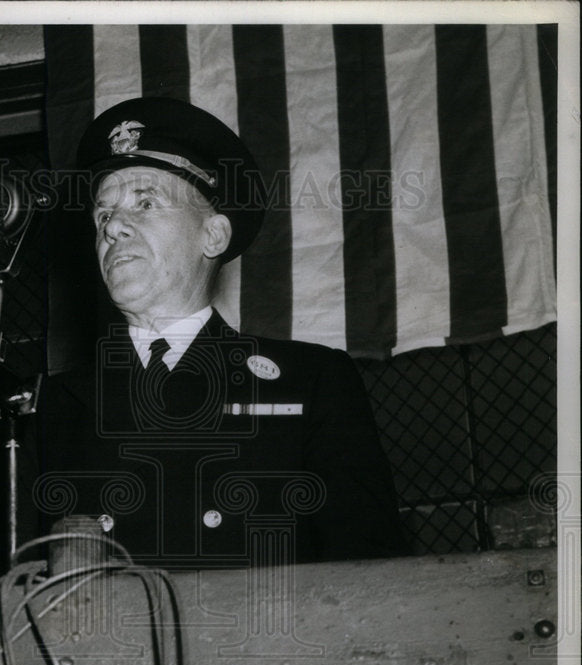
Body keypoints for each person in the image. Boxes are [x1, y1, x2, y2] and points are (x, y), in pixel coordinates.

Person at [38, 97, 407, 569]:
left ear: (212, 236)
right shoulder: (58, 405)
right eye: (103, 215)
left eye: (145, 203)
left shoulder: (308, 383)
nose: (114, 228)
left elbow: (371, 569)